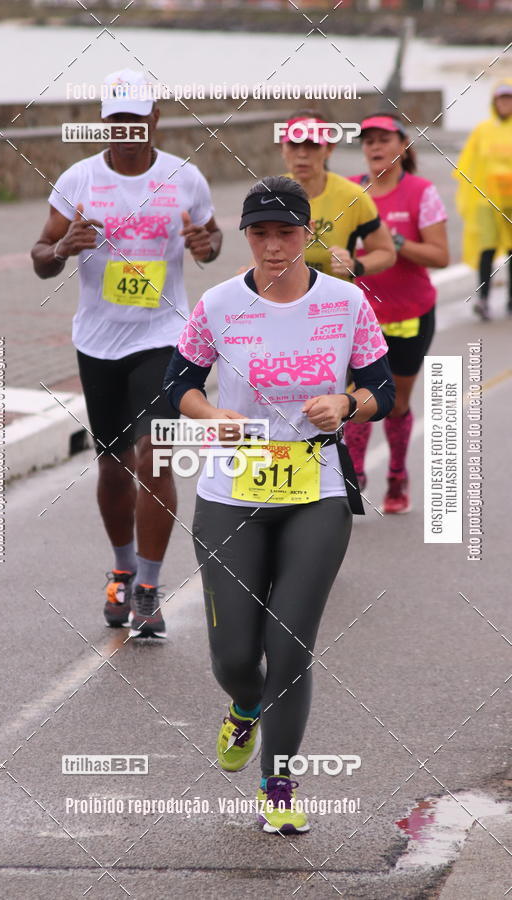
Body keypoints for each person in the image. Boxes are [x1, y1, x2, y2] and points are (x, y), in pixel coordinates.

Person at [163, 176, 394, 834]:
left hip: (314, 494)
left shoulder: (346, 304)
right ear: (247, 237)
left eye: (285, 233)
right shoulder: (218, 304)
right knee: (237, 656)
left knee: (289, 645)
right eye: (260, 233)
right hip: (230, 496)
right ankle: (243, 706)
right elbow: (177, 382)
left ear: (307, 235)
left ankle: (279, 786)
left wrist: (348, 404)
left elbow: (383, 385)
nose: (272, 246)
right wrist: (210, 413)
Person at [31, 69, 222, 638]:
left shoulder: (184, 179)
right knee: (113, 467)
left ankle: (147, 586)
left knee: (154, 455)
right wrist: (61, 248)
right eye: (117, 121)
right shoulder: (79, 179)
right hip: (98, 342)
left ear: (154, 119)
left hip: (164, 337)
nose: (128, 131)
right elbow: (41, 255)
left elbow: (211, 243)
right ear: (104, 123)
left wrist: (205, 245)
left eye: (137, 120)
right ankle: (121, 564)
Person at [345, 113, 449, 514]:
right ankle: (354, 473)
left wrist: (394, 240)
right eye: (368, 140)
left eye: (383, 139)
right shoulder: (349, 192)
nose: (373, 147)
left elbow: (440, 256)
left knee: (397, 402)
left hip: (409, 314)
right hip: (357, 318)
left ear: (403, 146)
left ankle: (396, 474)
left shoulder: (421, 192)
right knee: (355, 398)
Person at [279, 110, 396, 280]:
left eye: (312, 145)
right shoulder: (271, 193)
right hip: (283, 302)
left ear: (329, 149)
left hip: (334, 303)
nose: (302, 154)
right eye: (294, 144)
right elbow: (260, 252)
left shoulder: (353, 195)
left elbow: (386, 253)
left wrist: (355, 265)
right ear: (282, 148)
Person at [454, 80, 512, 320]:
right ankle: (484, 299)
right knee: (486, 249)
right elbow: (468, 165)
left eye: (509, 98)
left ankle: (511, 299)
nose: (505, 103)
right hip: (488, 202)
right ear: (494, 102)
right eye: (501, 98)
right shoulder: (482, 131)